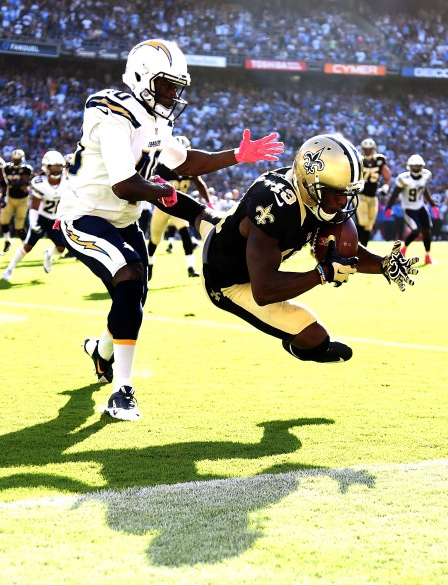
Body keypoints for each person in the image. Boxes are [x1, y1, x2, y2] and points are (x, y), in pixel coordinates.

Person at [56, 38, 284, 421]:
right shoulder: (111, 111)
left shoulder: (158, 122)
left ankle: (103, 352)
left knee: (132, 295)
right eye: (166, 84)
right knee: (128, 276)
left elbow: (185, 163)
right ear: (143, 78)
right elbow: (126, 184)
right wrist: (177, 198)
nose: (173, 93)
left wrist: (236, 156)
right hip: (85, 216)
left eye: (177, 85)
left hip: (124, 221)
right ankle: (121, 391)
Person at [187, 134, 419, 371]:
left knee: (196, 213)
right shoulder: (276, 205)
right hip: (228, 280)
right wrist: (322, 273)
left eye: (347, 193)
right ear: (310, 183)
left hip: (229, 234)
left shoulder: (315, 191)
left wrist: (383, 265)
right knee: (314, 340)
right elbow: (264, 290)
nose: (342, 201)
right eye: (336, 193)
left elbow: (343, 250)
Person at [147, 135, 209, 280]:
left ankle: (190, 267)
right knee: (155, 239)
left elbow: (200, 184)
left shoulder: (190, 169)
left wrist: (209, 201)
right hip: (162, 207)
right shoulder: (161, 167)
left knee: (184, 231)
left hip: (178, 207)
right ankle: (149, 266)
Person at [1, 151, 69, 280]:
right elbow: (35, 206)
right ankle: (9, 269)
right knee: (27, 246)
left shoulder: (68, 181)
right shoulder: (39, 182)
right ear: (46, 168)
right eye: (52, 167)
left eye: (58, 166)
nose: (56, 170)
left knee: (61, 248)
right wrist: (33, 222)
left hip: (57, 219)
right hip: (42, 217)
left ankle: (49, 254)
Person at [384, 154, 436, 265]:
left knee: (427, 231)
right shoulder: (404, 179)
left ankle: (427, 256)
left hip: (420, 206)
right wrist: (388, 207)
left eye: (418, 166)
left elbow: (424, 190)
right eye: (415, 166)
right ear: (410, 166)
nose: (417, 168)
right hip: (408, 208)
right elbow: (394, 195)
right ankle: (403, 251)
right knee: (416, 231)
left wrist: (432, 204)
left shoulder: (425, 175)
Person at [356, 138, 391, 246]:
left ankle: (364, 248)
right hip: (360, 195)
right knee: (363, 221)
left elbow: (387, 177)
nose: (368, 151)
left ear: (374, 149)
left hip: (373, 196)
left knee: (369, 225)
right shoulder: (358, 160)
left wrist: (385, 187)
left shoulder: (379, 161)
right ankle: (356, 246)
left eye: (370, 149)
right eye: (366, 149)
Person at [0, 149, 34, 252]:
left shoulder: (26, 169)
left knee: (19, 225)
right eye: (15, 159)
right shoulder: (6, 168)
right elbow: (2, 182)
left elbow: (23, 182)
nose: (16, 161)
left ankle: (25, 244)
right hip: (9, 198)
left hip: (23, 199)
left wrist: (10, 183)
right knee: (3, 221)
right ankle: (7, 240)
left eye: (18, 159)